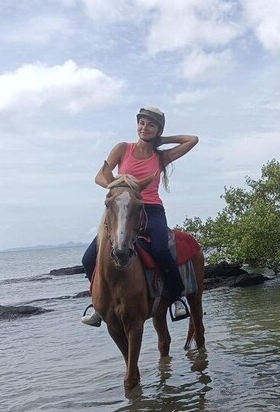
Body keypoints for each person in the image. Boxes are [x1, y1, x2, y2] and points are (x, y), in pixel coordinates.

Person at [81, 106, 199, 326]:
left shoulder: (160, 157)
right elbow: (99, 177)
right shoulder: (122, 148)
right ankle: (98, 304)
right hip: (121, 209)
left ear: (158, 130)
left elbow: (192, 140)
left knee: (161, 250)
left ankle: (176, 298)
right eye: (142, 123)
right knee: (88, 258)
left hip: (151, 209)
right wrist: (117, 187)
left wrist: (163, 140)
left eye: (151, 124)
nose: (144, 128)